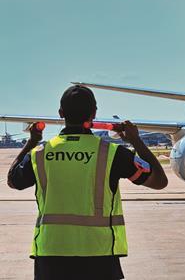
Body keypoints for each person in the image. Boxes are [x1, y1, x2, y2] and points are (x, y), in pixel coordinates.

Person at [7, 85, 168, 280]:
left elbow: (13, 180)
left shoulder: (39, 154)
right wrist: (136, 141)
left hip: (51, 256)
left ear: (61, 113)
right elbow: (159, 181)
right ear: (94, 113)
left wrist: (31, 142)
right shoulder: (112, 154)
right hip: (98, 257)